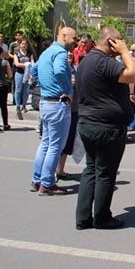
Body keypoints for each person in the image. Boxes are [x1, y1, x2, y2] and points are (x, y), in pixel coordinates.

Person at [75, 26, 135, 230]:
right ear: (110, 41)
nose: (122, 43)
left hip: (87, 124)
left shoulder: (86, 61)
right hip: (105, 127)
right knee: (105, 173)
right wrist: (125, 52)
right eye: (119, 40)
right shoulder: (105, 62)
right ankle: (102, 218)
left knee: (91, 170)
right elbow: (134, 75)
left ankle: (83, 218)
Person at [30, 27, 76, 196]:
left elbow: (33, 70)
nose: (75, 42)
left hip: (45, 102)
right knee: (55, 146)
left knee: (45, 144)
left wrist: (45, 84)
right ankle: (47, 183)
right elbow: (59, 70)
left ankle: (36, 180)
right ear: (64, 36)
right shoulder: (60, 53)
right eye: (73, 38)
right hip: (57, 103)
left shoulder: (46, 52)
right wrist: (68, 90)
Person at [56, 51, 78, 181]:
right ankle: (52, 171)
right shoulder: (59, 70)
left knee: (68, 142)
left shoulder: (75, 70)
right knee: (57, 141)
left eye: (71, 55)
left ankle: (61, 170)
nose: (69, 56)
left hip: (74, 109)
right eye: (67, 55)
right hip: (62, 107)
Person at [13, 39, 35, 119]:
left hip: (28, 74)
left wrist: (30, 65)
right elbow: (17, 64)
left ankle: (24, 105)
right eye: (22, 44)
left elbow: (32, 62)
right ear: (20, 45)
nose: (24, 45)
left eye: (25, 44)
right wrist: (26, 64)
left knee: (26, 90)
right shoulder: (17, 53)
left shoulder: (30, 54)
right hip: (19, 73)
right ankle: (18, 106)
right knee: (18, 90)